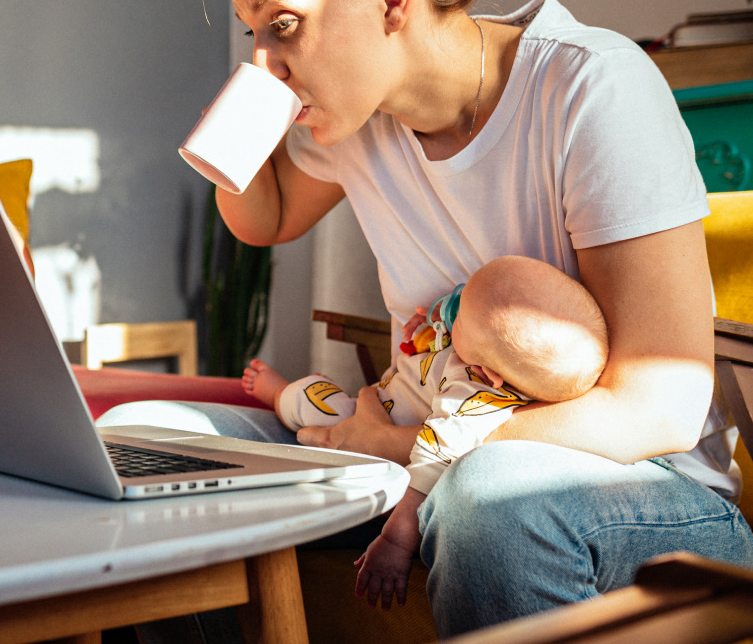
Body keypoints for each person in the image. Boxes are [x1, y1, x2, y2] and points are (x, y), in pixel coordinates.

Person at [96, 0, 753, 634]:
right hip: (417, 449)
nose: (264, 61)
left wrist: (408, 443)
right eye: (251, 35)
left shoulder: (589, 89)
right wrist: (236, 130)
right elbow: (267, 218)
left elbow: (661, 409)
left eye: (286, 26)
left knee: (491, 498)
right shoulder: (357, 122)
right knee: (143, 442)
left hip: (642, 490)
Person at [243, 255, 607, 609]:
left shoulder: (469, 401)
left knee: (312, 400)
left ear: (484, 373)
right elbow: (463, 305)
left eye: (460, 317)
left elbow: (430, 466)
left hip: (364, 425)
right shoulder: (493, 350)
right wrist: (440, 312)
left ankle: (278, 394)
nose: (455, 308)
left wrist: (396, 542)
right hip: (386, 398)